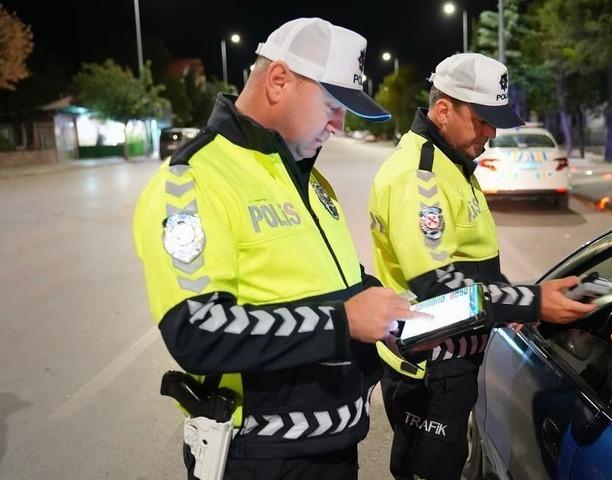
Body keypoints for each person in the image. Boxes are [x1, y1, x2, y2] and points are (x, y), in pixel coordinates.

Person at [133, 17, 416, 480]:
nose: (339, 125)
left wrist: (390, 310)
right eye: (331, 104)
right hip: (260, 459)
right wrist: (342, 323)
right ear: (279, 79)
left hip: (334, 448)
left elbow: (334, 279)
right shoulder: (192, 180)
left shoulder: (306, 175)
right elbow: (197, 331)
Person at [367, 52, 596, 480]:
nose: (490, 133)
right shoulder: (421, 177)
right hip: (428, 369)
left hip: (452, 360)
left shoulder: (453, 164)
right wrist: (530, 302)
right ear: (442, 109)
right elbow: (441, 287)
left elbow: (475, 265)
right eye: (482, 120)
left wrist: (508, 307)